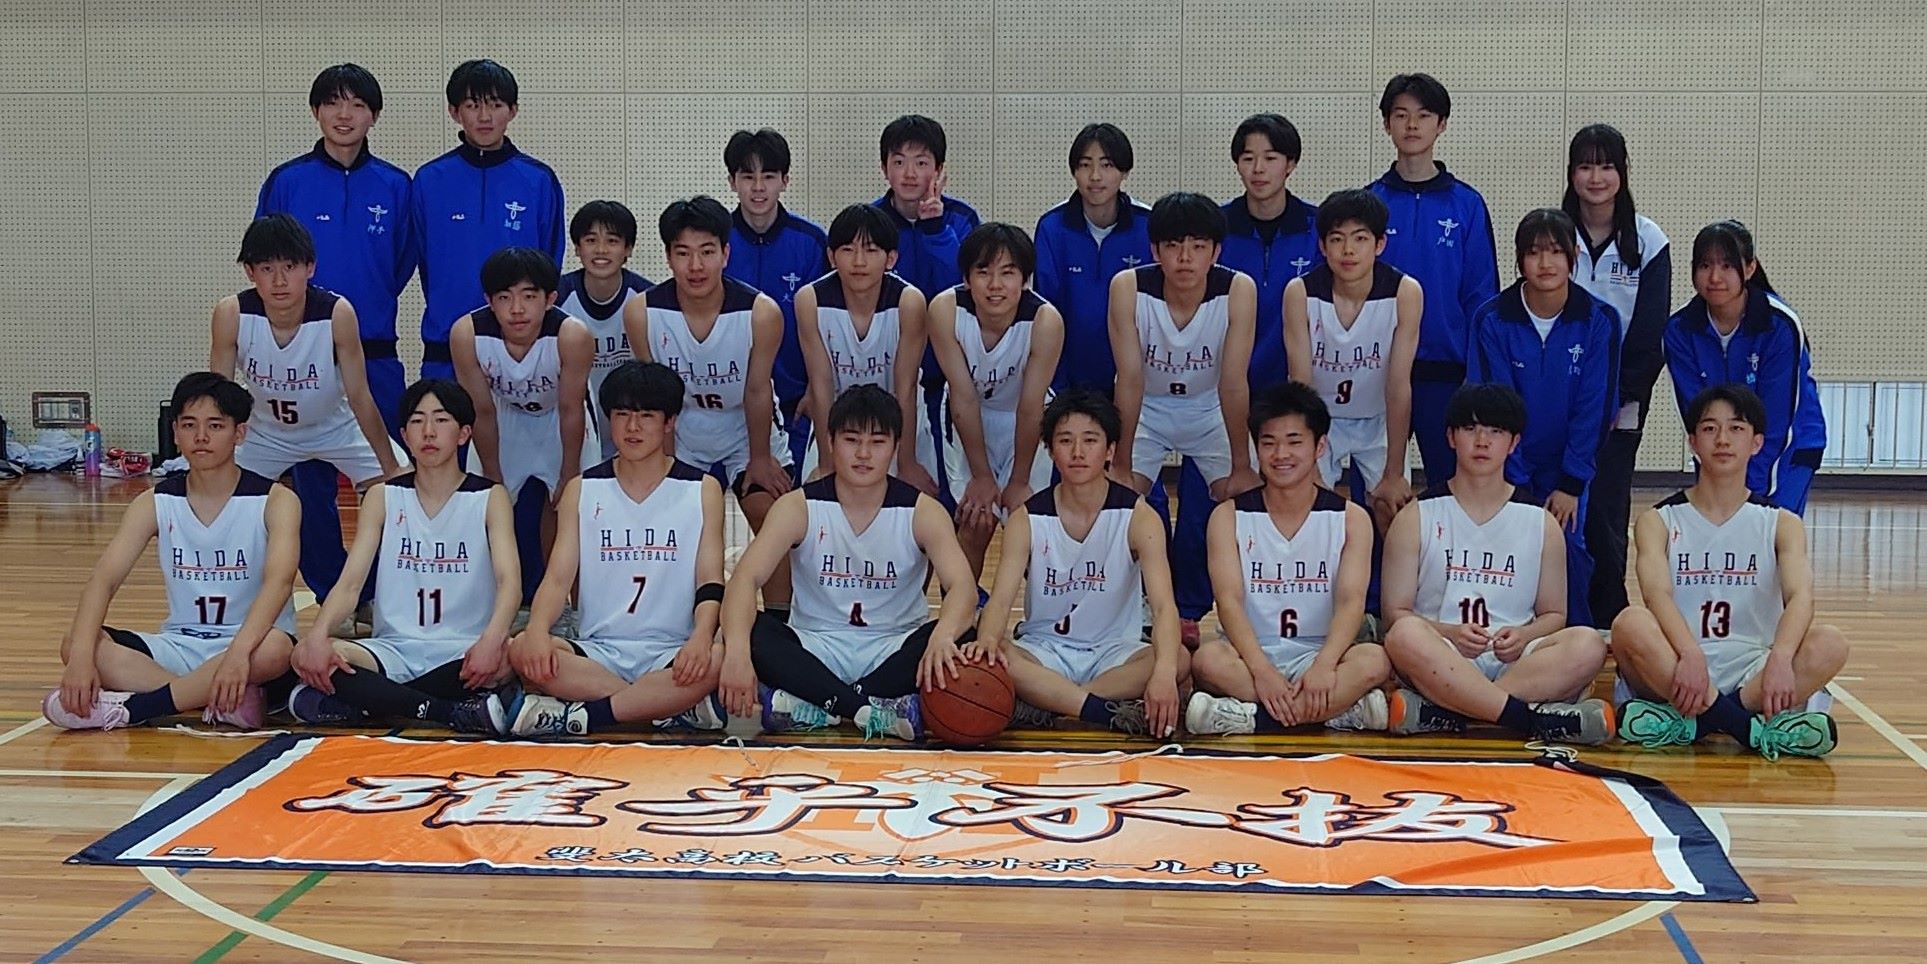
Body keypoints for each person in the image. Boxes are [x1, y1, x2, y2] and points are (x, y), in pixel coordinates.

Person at [717, 385, 980, 741]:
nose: (863, 454)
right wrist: (736, 652)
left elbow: (962, 587)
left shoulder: (923, 511)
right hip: (816, 646)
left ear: (896, 447)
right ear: (829, 441)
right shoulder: (798, 506)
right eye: (851, 440)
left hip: (894, 646)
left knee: (965, 635)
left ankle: (817, 704)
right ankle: (872, 710)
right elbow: (744, 579)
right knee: (752, 631)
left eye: (877, 442)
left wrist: (944, 635)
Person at [45, 373, 297, 730]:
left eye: (215, 426)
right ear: (175, 432)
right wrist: (81, 661)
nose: (201, 437)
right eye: (189, 425)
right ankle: (211, 701)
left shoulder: (276, 500)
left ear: (239, 433)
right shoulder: (154, 502)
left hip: (251, 645)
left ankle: (139, 707)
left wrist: (239, 654)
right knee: (76, 643)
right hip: (180, 645)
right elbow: (104, 580)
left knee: (277, 649)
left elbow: (279, 583)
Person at [1610, 384, 1846, 759]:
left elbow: (1800, 597)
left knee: (1831, 642)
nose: (1722, 440)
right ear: (1692, 441)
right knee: (1629, 624)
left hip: (1755, 669)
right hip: (1677, 665)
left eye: (1736, 428)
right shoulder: (1658, 520)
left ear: (1756, 443)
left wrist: (1781, 657)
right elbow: (1656, 596)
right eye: (1710, 428)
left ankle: (1693, 724)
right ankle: (1754, 729)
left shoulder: (1782, 522)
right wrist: (1689, 654)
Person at [257, 64, 417, 615]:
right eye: (332, 103)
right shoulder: (287, 182)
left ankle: (381, 594)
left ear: (374, 115)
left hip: (375, 352)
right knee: (312, 489)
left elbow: (401, 262)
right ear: (316, 111)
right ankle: (332, 594)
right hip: (302, 358)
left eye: (357, 105)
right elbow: (267, 256)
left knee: (391, 478)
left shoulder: (396, 186)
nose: (344, 115)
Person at [1379, 383, 1614, 745]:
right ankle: (1528, 719)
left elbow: (1554, 615)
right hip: (1444, 653)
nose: (1482, 441)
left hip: (1514, 659)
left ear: (1514, 443)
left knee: (1589, 644)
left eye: (1495, 431)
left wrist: (1524, 636)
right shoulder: (1416, 516)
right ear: (1451, 438)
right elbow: (1395, 614)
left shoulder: (1541, 522)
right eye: (1470, 429)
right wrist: (1450, 633)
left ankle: (1452, 712)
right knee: (1404, 636)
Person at [505, 362, 729, 737]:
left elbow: (710, 579)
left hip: (672, 653)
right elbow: (558, 579)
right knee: (522, 647)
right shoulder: (581, 489)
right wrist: (540, 630)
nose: (632, 427)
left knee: (719, 658)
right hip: (598, 652)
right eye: (622, 415)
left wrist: (702, 637)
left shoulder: (702, 489)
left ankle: (587, 715)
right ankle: (662, 707)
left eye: (646, 416)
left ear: (670, 422)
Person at [287, 379, 517, 733]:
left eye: (441, 420)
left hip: (463, 651)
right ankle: (446, 711)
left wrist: (492, 639)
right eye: (417, 421)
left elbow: (509, 582)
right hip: (392, 649)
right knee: (309, 655)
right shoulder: (382, 496)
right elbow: (350, 584)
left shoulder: (490, 496)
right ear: (404, 436)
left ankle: (375, 704)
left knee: (510, 657)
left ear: (463, 434)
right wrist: (318, 635)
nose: (428, 431)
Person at [211, 215, 403, 607]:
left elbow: (360, 396)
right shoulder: (232, 314)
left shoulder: (337, 313)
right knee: (215, 498)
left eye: (290, 267)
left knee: (408, 489)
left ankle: (378, 596)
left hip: (336, 427)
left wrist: (389, 468)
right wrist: (214, 465)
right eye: (267, 269)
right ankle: (232, 599)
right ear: (250, 272)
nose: (279, 281)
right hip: (266, 433)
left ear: (310, 268)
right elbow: (220, 398)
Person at [973, 390, 1185, 737]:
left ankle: (1050, 702)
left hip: (1113, 654)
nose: (1077, 452)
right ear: (1050, 450)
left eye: (1090, 440)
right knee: (993, 652)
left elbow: (1163, 607)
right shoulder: (1027, 518)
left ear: (1110, 450)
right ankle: (1101, 711)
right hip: (1045, 651)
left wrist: (1163, 673)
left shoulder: (1139, 516)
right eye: (1065, 440)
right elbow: (999, 602)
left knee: (1178, 660)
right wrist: (987, 641)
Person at [1186, 382, 1392, 735]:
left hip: (1319, 652)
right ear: (1256, 448)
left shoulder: (1351, 518)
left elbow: (1351, 602)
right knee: (1207, 660)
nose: (1281, 454)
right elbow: (1229, 602)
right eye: (1269, 443)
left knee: (1374, 659)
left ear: (1320, 446)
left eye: (1294, 442)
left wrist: (1324, 666)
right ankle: (1335, 713)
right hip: (1251, 655)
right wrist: (1262, 671)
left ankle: (1250, 718)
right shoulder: (1227, 516)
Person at [626, 196, 795, 610]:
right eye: (683, 253)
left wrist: (760, 459)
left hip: (745, 426)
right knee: (675, 518)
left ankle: (780, 619)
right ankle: (680, 615)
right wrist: (663, 466)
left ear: (725, 254)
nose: (695, 266)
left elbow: (757, 391)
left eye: (706, 252)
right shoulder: (642, 312)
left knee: (769, 511)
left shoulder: (761, 312)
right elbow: (656, 398)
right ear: (668, 257)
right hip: (682, 427)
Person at [1109, 192, 1260, 632]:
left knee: (1251, 502)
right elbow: (1129, 380)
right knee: (1113, 502)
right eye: (1173, 246)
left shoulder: (1238, 289)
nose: (1185, 258)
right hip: (1147, 407)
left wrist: (1241, 465)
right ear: (1155, 250)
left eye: (1198, 246)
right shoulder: (1128, 287)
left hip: (1210, 406)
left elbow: (1234, 381)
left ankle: (1246, 616)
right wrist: (1121, 465)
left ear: (1216, 251)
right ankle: (1134, 610)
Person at [1466, 209, 1619, 626]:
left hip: (1567, 470)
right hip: (1506, 468)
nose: (1545, 263)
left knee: (1568, 552)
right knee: (1507, 552)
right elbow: (1491, 404)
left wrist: (1571, 483)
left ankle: (1572, 643)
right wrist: (1513, 481)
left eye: (1556, 252)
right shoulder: (1491, 319)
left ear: (1574, 258)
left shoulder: (1600, 321)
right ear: (1519, 260)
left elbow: (1596, 407)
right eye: (1534, 253)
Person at [1564, 123, 1672, 627]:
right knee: (1557, 503)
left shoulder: (1649, 240)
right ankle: (1559, 608)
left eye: (1606, 166)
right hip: (1556, 397)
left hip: (1620, 404)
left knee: (1607, 507)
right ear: (1571, 173)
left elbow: (1650, 333)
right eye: (1586, 165)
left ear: (1623, 173)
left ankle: (1608, 614)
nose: (1596, 177)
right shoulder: (1554, 235)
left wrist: (1616, 399)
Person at [1368, 73, 1500, 486]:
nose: (1412, 125)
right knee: (1378, 488)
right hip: (1376, 370)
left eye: (1423, 115)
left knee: (1450, 487)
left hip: (1446, 374)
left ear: (1441, 124)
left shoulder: (1467, 204)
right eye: (1401, 115)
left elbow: (1481, 296)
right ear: (1386, 124)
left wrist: (1476, 376)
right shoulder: (1369, 203)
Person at [450, 247, 593, 605]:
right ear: (489, 301)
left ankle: (574, 608)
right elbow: (482, 411)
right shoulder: (466, 334)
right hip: (502, 418)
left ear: (550, 299)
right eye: (504, 297)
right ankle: (493, 604)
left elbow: (571, 408)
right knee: (487, 510)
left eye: (529, 296)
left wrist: (569, 474)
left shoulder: (572, 335)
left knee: (571, 514)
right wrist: (493, 477)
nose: (516, 309)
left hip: (559, 419)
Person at [412, 58, 564, 381]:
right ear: (454, 111)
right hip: (444, 348)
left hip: (520, 352)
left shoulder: (538, 180)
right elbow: (417, 258)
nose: (484, 117)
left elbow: (550, 263)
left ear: (513, 110)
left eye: (495, 105)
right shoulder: (429, 180)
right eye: (472, 105)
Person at [929, 223, 1064, 579]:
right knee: (975, 518)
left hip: (1026, 420)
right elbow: (963, 398)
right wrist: (981, 475)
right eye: (983, 272)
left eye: (1008, 273)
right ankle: (964, 605)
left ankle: (1040, 609)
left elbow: (1031, 407)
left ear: (1025, 279)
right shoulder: (944, 310)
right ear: (966, 278)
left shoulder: (1046, 321)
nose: (995, 285)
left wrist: (1019, 480)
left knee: (1029, 522)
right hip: (967, 419)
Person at [1663, 221, 1825, 514]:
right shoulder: (1679, 330)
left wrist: (1749, 493)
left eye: (1727, 266)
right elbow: (1695, 413)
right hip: (1720, 452)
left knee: (1771, 534)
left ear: (1750, 268)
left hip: (1787, 449)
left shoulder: (1779, 326)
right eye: (1705, 265)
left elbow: (1778, 419)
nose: (1715, 277)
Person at [1285, 188, 1420, 525]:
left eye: (1360, 239)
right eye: (1336, 239)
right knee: (1309, 511)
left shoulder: (1405, 292)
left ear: (1379, 244)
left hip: (1377, 420)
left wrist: (1393, 473)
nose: (1348, 250)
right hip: (1321, 420)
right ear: (1322, 246)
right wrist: (1309, 463)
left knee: (1394, 510)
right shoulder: (1300, 292)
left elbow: (1399, 387)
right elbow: (1300, 385)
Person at [873, 114, 983, 501]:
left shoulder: (962, 219)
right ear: (884, 168)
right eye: (899, 161)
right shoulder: (870, 224)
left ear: (938, 169)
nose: (909, 173)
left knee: (946, 491)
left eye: (921, 162)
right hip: (885, 374)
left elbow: (967, 288)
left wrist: (935, 229)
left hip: (949, 374)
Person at [795, 203, 935, 490]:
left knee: (914, 499)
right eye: (848, 250)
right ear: (831, 256)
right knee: (819, 498)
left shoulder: (909, 302)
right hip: (839, 417)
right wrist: (827, 462)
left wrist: (907, 462)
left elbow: (906, 387)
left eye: (871, 250)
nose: (859, 261)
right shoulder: (810, 300)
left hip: (898, 417)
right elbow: (821, 386)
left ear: (891, 258)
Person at [722, 128, 829, 473]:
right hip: (726, 404)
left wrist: (816, 388)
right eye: (747, 176)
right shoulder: (714, 241)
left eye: (768, 176)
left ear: (785, 180)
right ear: (732, 181)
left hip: (796, 402)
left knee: (789, 498)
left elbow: (828, 323)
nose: (758, 187)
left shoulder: (812, 242)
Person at [1033, 123, 1153, 393]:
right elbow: (1045, 310)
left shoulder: (1148, 225)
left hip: (1135, 381)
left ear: (1125, 171)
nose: (1095, 176)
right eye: (1085, 165)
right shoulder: (1052, 227)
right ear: (1074, 171)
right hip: (1066, 380)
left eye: (1107, 165)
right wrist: (1056, 385)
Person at [556, 200, 651, 460]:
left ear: (628, 249)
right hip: (569, 423)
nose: (601, 250)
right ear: (577, 248)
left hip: (630, 425)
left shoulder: (646, 299)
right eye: (590, 240)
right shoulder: (556, 298)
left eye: (612, 241)